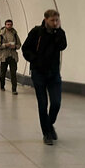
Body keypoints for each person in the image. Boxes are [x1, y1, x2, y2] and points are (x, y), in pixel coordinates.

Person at [22, 9, 67, 146]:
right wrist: (35, 60)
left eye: (57, 20)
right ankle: (46, 133)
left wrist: (58, 31)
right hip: (39, 73)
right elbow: (25, 49)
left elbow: (63, 46)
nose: (55, 23)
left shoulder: (59, 33)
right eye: (52, 20)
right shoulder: (36, 32)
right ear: (46, 19)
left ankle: (49, 124)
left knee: (56, 103)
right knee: (42, 104)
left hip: (53, 74)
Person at [0, 19, 22, 95]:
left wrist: (15, 46)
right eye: (8, 24)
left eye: (10, 24)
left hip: (12, 56)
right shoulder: (1, 34)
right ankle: (2, 86)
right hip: (4, 56)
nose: (9, 26)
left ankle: (14, 89)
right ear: (5, 25)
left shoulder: (15, 34)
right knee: (3, 72)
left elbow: (19, 44)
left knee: (13, 73)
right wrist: (5, 45)